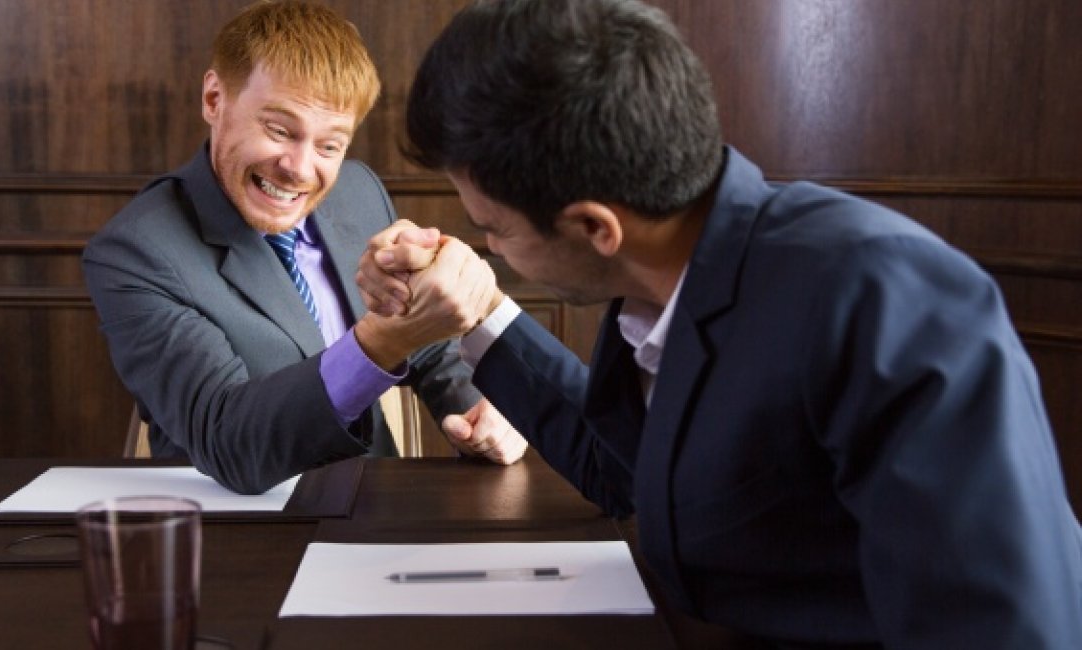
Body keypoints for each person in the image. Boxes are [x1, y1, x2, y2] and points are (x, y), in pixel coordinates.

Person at [356, 0, 1082, 647]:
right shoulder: (666, 271)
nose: (486, 247)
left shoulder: (885, 296)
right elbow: (632, 471)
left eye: (493, 230)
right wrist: (478, 313)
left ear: (593, 227)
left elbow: (1004, 625)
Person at [82, 0, 526, 496]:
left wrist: (475, 410)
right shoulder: (135, 252)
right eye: (278, 130)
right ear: (214, 99)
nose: (299, 168)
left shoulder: (358, 190)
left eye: (329, 145)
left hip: (374, 509)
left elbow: (431, 347)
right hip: (236, 534)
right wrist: (383, 340)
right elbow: (228, 443)